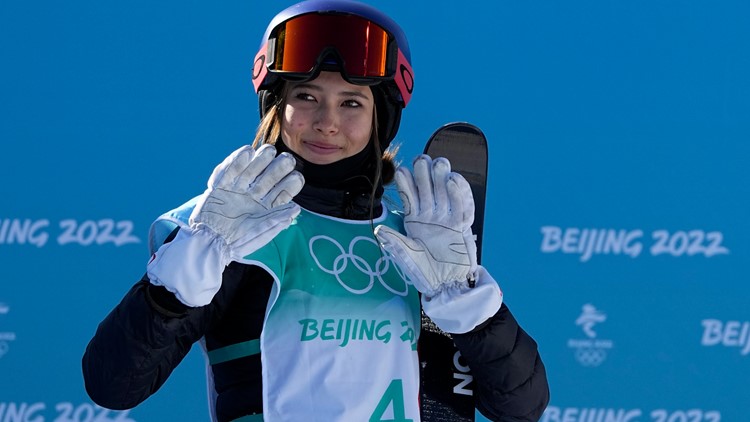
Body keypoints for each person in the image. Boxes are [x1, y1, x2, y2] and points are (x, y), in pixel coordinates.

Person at [82, 1, 549, 421]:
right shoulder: (227, 230)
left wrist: (467, 305)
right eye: (306, 96)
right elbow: (115, 385)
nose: (327, 122)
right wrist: (175, 283)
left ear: (378, 120)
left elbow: (522, 407)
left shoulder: (417, 241)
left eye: (351, 103)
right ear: (276, 106)